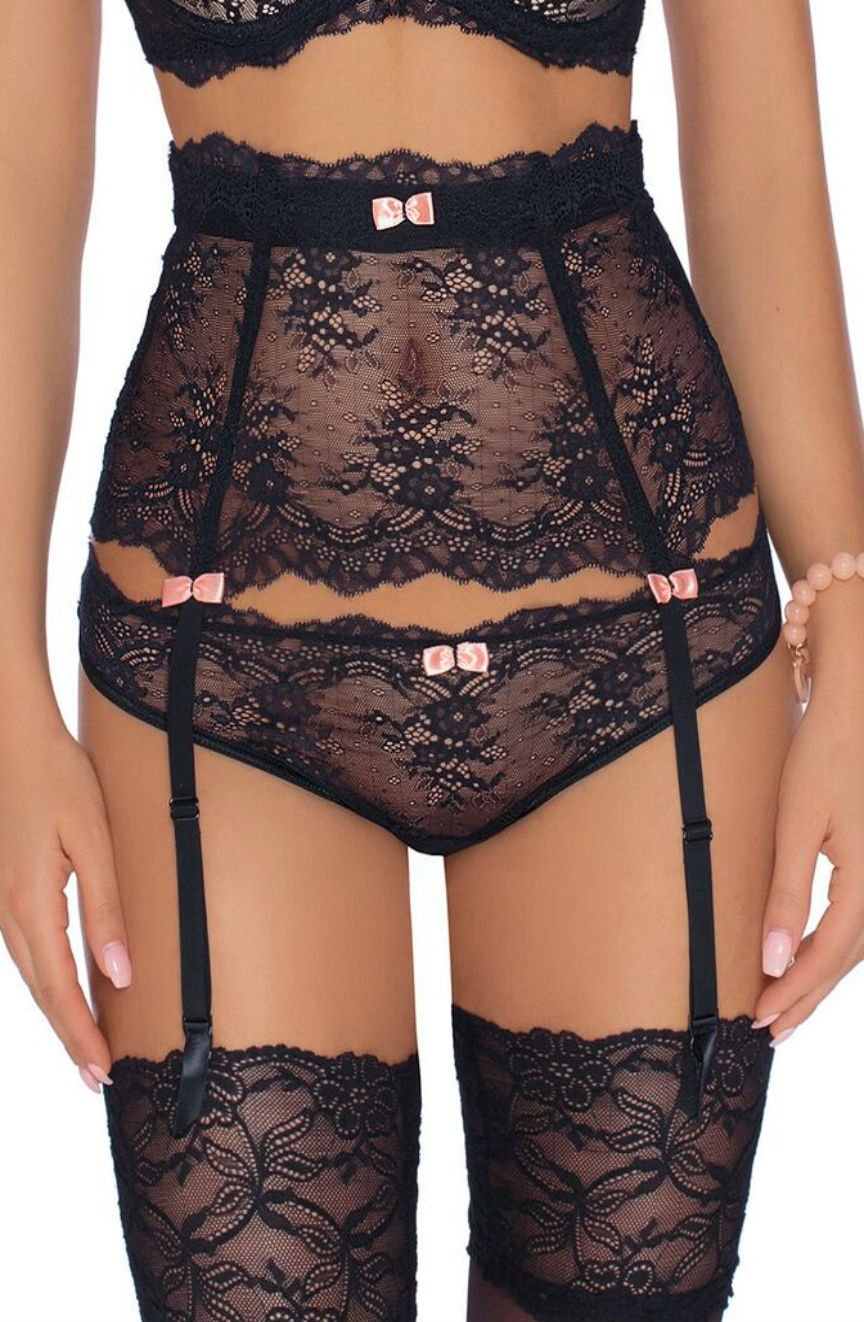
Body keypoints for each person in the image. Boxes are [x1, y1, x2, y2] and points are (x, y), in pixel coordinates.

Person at [1, 1, 863, 1318]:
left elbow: (759, 162)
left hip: (644, 631)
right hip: (217, 656)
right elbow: (19, 191)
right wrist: (5, 696)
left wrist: (849, 614)